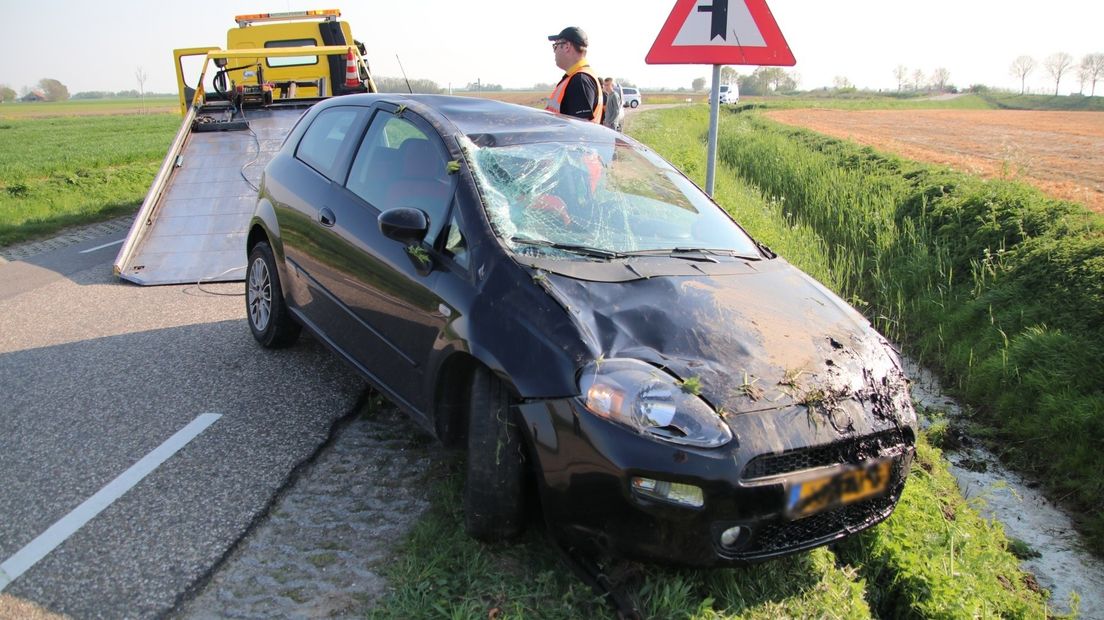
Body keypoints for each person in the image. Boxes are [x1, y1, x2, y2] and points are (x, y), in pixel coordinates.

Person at [545, 26, 603, 123]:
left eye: (556, 45)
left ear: (567, 46)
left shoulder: (580, 80)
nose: (554, 51)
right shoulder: (577, 77)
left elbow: (579, 131)